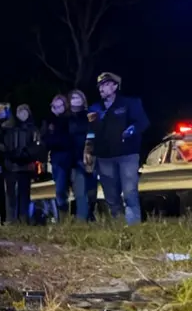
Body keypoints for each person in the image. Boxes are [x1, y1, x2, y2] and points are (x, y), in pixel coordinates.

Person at [86, 72, 148, 226]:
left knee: (129, 194)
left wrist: (130, 131)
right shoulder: (94, 108)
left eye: (106, 85)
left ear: (115, 86)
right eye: (100, 86)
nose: (102, 88)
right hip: (104, 157)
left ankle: (133, 229)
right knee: (111, 197)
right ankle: (119, 227)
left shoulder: (129, 103)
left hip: (127, 155)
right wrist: (88, 150)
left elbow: (142, 123)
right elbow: (91, 132)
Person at [0, 104, 40, 224]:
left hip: (26, 167)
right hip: (11, 166)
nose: (22, 113)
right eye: (20, 111)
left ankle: (23, 219)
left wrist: (24, 154)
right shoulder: (9, 129)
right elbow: (3, 145)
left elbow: (36, 147)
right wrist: (9, 154)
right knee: (10, 195)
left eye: (25, 111)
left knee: (24, 195)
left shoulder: (33, 129)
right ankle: (11, 219)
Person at [42, 95, 77, 222]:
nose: (57, 108)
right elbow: (46, 140)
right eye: (54, 106)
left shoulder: (71, 119)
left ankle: (79, 218)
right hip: (58, 160)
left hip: (73, 159)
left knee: (78, 191)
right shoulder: (49, 121)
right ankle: (64, 219)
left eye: (60, 105)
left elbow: (72, 139)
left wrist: (58, 141)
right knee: (60, 191)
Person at [66, 89, 95, 221]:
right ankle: (81, 221)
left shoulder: (89, 116)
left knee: (92, 192)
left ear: (83, 100)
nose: (75, 100)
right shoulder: (67, 119)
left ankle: (90, 216)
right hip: (74, 160)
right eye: (73, 98)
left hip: (90, 158)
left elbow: (94, 135)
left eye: (78, 98)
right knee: (80, 192)